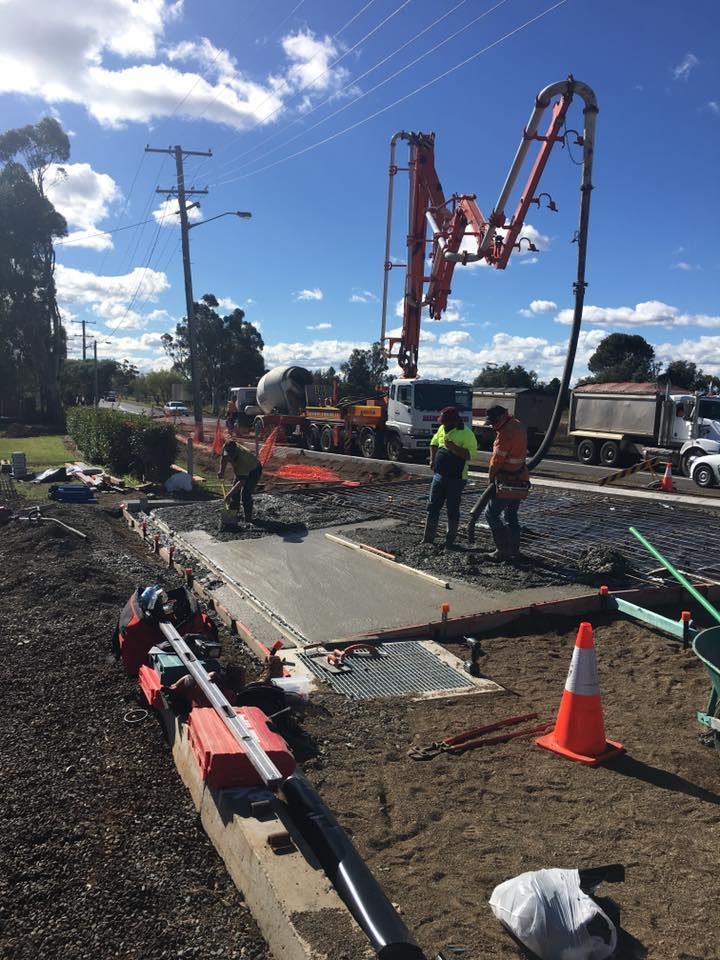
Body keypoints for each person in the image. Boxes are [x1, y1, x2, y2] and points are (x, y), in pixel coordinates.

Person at [424, 406, 478, 546]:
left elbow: (471, 456)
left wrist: (454, 448)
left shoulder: (466, 434)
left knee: (452, 509)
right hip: (439, 475)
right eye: (443, 422)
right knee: (433, 507)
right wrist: (432, 459)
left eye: (446, 422)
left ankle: (450, 540)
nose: (443, 425)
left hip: (457, 478)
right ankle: (428, 539)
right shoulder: (442, 429)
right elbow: (434, 443)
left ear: (454, 421)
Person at [484, 404, 531, 561]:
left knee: (491, 514)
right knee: (511, 515)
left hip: (506, 482)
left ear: (503, 416)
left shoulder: (505, 433)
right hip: (520, 479)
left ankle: (502, 550)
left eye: (494, 422)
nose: (493, 427)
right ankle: (514, 550)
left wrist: (491, 479)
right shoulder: (518, 425)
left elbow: (496, 461)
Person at [217, 439, 262, 523]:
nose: (229, 458)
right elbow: (224, 458)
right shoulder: (227, 448)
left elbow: (241, 482)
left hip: (254, 470)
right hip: (241, 470)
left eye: (231, 456)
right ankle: (232, 516)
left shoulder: (243, 459)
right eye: (228, 455)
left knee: (245, 494)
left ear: (235, 452)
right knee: (235, 494)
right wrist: (221, 471)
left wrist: (228, 496)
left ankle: (248, 519)